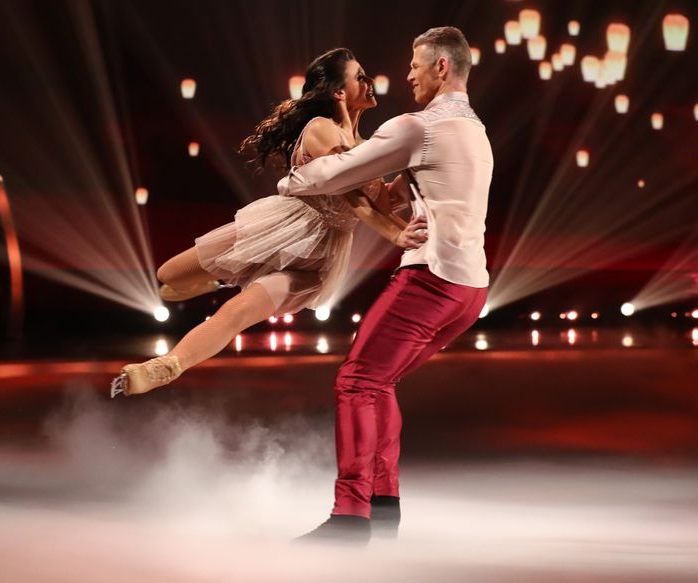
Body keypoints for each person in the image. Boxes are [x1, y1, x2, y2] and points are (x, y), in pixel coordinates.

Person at [277, 27, 493, 544]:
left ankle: (350, 516)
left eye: (415, 64)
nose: (408, 73)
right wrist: (397, 207)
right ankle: (384, 502)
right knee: (379, 382)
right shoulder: (474, 129)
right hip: (471, 288)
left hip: (433, 277)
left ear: (442, 67)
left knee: (356, 382)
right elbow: (399, 193)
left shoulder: (418, 127)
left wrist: (290, 180)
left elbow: (338, 173)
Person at [110, 48, 427, 398]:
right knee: (168, 277)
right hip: (282, 228)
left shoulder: (365, 147)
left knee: (238, 312)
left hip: (322, 256)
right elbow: (355, 198)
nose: (369, 82)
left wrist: (417, 188)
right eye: (359, 76)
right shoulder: (321, 129)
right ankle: (221, 277)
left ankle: (163, 367)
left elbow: (381, 203)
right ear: (338, 92)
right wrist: (397, 234)